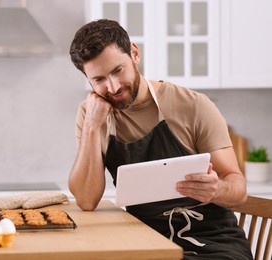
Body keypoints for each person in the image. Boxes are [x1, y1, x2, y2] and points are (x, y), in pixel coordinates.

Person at [68, 19, 253, 259]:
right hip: (146, 243)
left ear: (134, 53)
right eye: (99, 80)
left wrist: (216, 190)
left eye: (117, 71)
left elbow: (238, 190)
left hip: (214, 243)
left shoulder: (193, 105)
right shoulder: (90, 113)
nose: (112, 87)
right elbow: (86, 200)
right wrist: (93, 125)